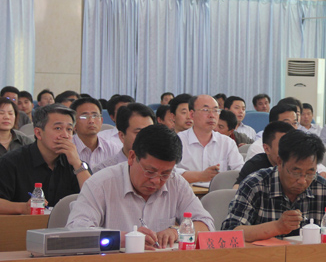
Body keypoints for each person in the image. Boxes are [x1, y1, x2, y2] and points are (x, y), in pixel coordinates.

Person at [67, 125, 215, 249]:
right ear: (132, 157)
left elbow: (206, 225)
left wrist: (176, 232)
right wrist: (124, 239)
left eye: (165, 174)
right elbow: (76, 232)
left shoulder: (176, 183)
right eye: (150, 172)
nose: (156, 181)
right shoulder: (100, 184)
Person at [222, 130, 326, 242]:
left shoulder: (322, 187)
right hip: (263, 261)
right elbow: (230, 232)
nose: (302, 180)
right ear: (279, 162)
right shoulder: (255, 185)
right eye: (295, 172)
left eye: (310, 173)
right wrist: (277, 227)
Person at [0, 104, 91, 214]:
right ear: (38, 133)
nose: (65, 135)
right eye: (58, 128)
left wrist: (77, 164)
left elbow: (94, 198)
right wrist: (23, 207)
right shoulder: (11, 162)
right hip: (25, 224)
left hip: (66, 224)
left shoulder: (76, 164)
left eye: (69, 129)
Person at [245, 104, 326, 181]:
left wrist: (322, 172)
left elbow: (315, 164)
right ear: (273, 124)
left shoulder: (300, 143)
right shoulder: (258, 148)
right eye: (287, 123)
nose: (292, 128)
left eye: (295, 123)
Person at [177, 95, 244, 187]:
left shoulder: (227, 143)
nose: (212, 115)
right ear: (192, 114)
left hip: (218, 194)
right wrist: (200, 176)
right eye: (206, 110)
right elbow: (169, 173)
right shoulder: (178, 140)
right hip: (185, 193)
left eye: (216, 110)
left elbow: (240, 172)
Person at [93, 103, 156, 172]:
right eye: (138, 133)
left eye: (150, 132)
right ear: (122, 136)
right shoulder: (104, 170)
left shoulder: (161, 165)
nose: (146, 137)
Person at [71, 97, 121, 167]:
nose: (91, 121)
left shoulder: (113, 149)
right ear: (73, 122)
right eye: (84, 116)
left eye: (95, 115)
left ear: (101, 121)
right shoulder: (67, 148)